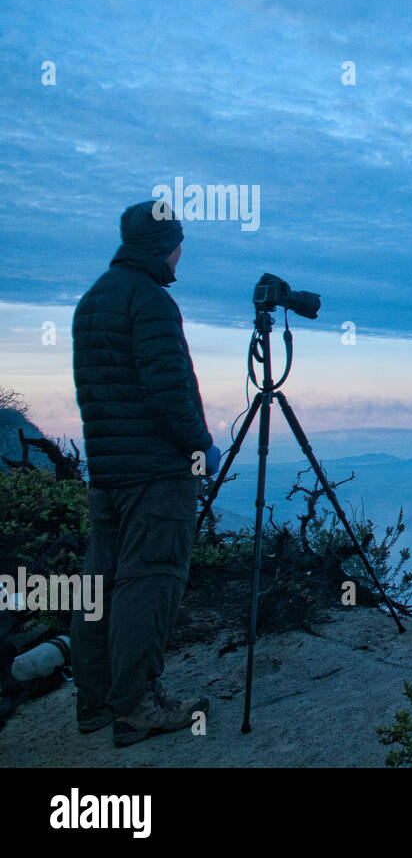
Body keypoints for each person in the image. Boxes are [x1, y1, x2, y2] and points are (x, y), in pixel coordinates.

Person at [70, 199, 215, 747]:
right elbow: (166, 390)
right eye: (178, 243)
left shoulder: (94, 300)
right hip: (156, 473)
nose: (181, 254)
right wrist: (201, 445)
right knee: (149, 582)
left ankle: (95, 703)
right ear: (163, 246)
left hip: (107, 471)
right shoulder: (150, 301)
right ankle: (136, 706)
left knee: (99, 584)